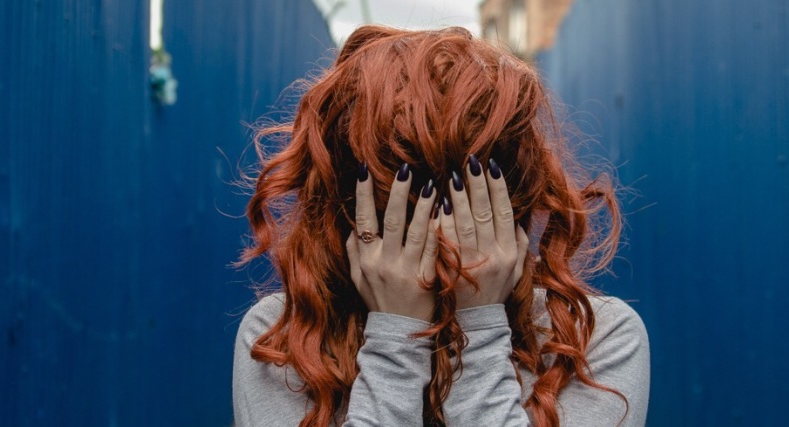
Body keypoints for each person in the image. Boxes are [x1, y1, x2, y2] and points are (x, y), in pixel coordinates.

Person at [232, 25, 650, 426]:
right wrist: (396, 341)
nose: (437, 235)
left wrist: (481, 330)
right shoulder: (282, 340)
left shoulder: (593, 338)